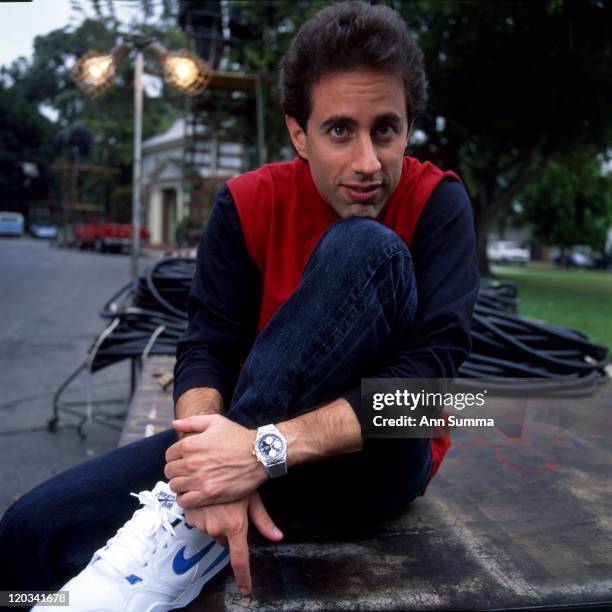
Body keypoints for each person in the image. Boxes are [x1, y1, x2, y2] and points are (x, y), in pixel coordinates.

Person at [0, 1, 479, 609]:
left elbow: (435, 389)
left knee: (366, 246)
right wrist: (215, 458)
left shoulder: (438, 202)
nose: (367, 162)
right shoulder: (247, 203)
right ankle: (195, 512)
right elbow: (208, 345)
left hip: (375, 459)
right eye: (339, 131)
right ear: (298, 133)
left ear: (407, 127)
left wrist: (257, 453)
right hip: (239, 444)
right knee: (30, 531)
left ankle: (189, 523)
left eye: (385, 129)